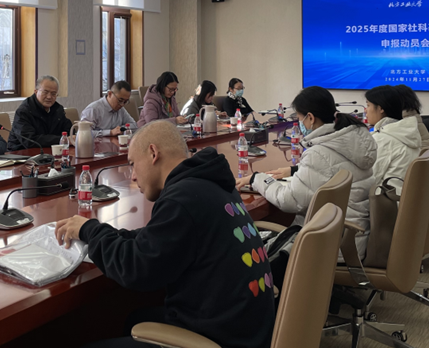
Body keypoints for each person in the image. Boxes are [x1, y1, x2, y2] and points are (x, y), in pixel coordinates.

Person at [56, 121, 275, 348]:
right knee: (135, 319)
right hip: (247, 330)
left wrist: (89, 229)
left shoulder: (182, 199)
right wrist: (112, 234)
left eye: (133, 164)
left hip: (222, 338)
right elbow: (157, 238)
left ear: (153, 153)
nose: (132, 176)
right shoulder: (210, 183)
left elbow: (136, 268)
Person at [236, 86, 377, 259]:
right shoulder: (350, 141)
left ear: (310, 118)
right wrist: (294, 170)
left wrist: (257, 178)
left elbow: (289, 200)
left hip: (327, 247)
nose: (299, 124)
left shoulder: (319, 152)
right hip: (350, 240)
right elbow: (330, 167)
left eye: (299, 118)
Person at [364, 86, 422, 192]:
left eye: (368, 105)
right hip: (403, 195)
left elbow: (369, 178)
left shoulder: (383, 139)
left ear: (381, 108)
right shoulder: (406, 133)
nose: (365, 110)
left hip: (384, 197)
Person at [8, 75, 73, 151]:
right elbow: (30, 141)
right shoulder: (23, 111)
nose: (49, 97)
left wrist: (72, 137)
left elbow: (68, 130)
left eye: (53, 94)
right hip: (21, 153)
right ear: (36, 92)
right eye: (45, 92)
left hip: (49, 152)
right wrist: (62, 140)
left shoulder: (57, 109)